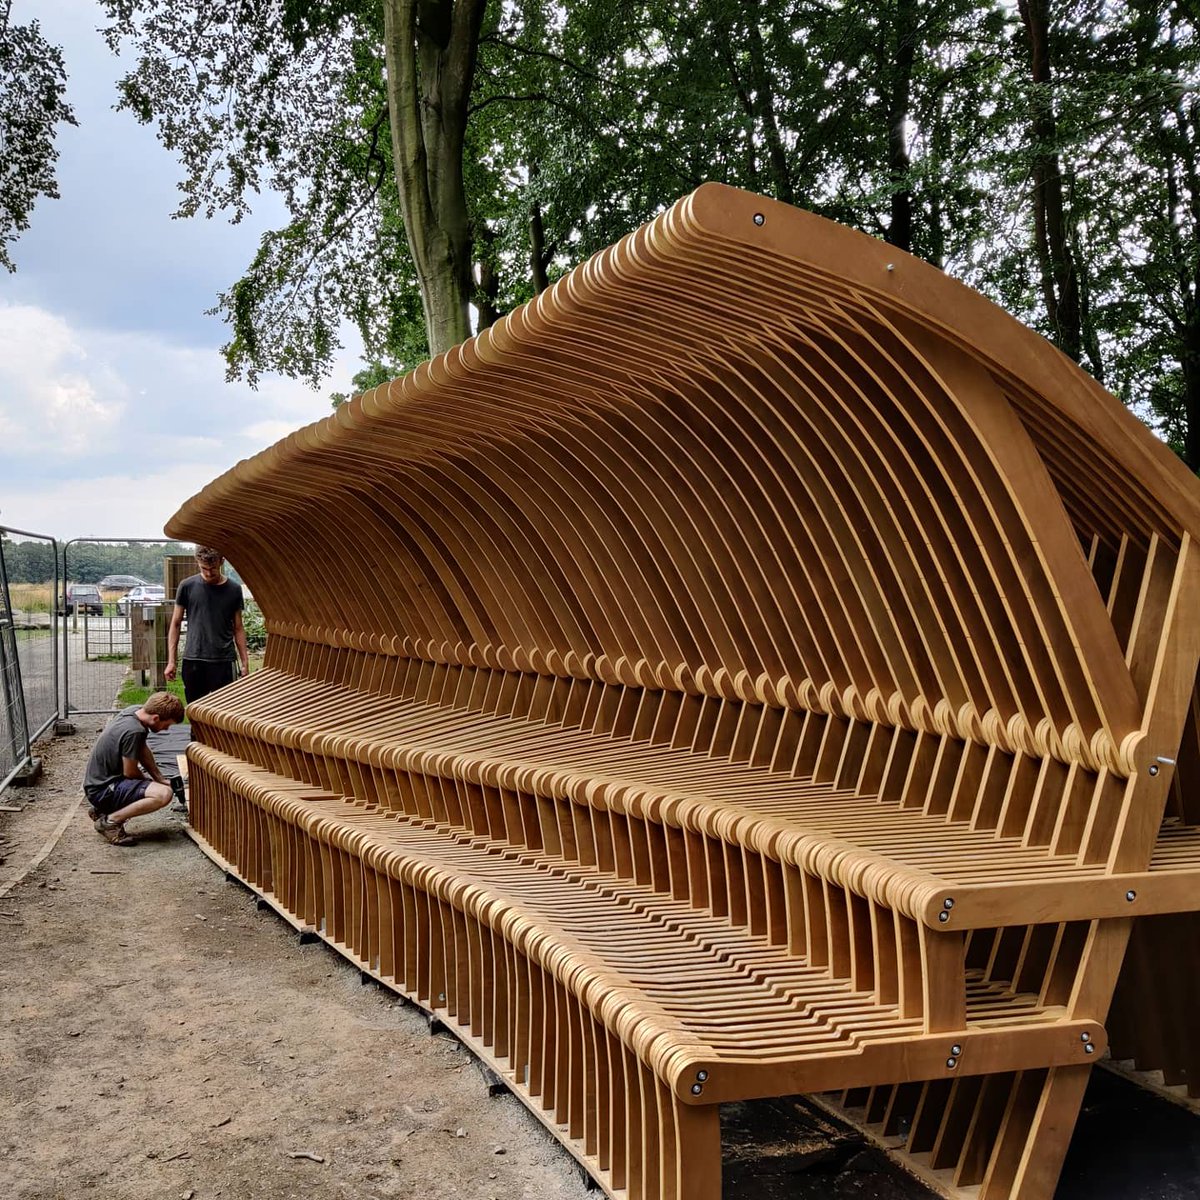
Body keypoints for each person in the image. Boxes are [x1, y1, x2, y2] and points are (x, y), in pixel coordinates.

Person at [84, 692, 186, 846]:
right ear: (156, 718)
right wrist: (151, 784)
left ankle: (103, 810)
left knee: (158, 786)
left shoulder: (134, 712)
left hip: (98, 783)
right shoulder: (134, 731)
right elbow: (130, 773)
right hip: (102, 790)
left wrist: (159, 778)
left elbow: (142, 749)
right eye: (167, 725)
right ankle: (110, 822)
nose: (166, 730)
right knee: (163, 794)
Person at [166, 546, 250, 704]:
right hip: (193, 659)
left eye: (213, 568)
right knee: (196, 709)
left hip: (224, 660)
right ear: (197, 562)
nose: (209, 573)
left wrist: (245, 662)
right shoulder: (187, 586)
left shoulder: (234, 589)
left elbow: (238, 627)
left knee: (224, 711)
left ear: (222, 561)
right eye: (204, 568)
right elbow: (175, 624)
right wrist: (172, 661)